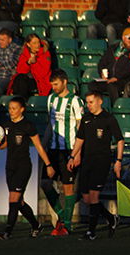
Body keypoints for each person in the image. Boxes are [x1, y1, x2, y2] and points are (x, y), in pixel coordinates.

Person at [0, 96, 55, 240]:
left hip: (23, 166)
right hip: (10, 166)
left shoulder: (28, 126)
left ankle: (7, 232)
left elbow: (39, 147)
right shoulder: (6, 126)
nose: (11, 111)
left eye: (14, 108)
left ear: (22, 109)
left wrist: (48, 164)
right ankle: (36, 225)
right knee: (19, 201)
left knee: (13, 198)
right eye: (10, 108)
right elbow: (7, 144)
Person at [67, 92, 123, 240]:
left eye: (91, 102)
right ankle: (111, 218)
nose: (88, 105)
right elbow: (80, 139)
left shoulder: (109, 119)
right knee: (87, 198)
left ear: (100, 102)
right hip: (87, 161)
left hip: (102, 162)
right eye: (87, 102)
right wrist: (73, 156)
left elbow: (120, 140)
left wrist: (118, 160)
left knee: (93, 196)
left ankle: (91, 232)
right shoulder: (86, 119)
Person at [44, 69, 84, 236]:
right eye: (52, 84)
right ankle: (62, 217)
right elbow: (49, 125)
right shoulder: (51, 99)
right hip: (52, 149)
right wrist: (44, 147)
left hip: (69, 149)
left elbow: (81, 128)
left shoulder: (75, 101)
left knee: (68, 187)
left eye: (56, 84)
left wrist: (77, 152)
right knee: (45, 184)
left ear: (65, 82)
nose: (53, 87)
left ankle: (66, 226)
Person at [88, 27, 130, 105]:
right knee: (92, 85)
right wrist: (102, 72)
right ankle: (97, 107)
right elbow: (102, 62)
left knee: (112, 87)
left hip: (122, 81)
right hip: (108, 79)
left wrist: (117, 78)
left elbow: (129, 69)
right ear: (123, 37)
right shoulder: (112, 48)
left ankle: (115, 108)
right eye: (129, 38)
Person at [7, 33, 51, 99]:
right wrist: (28, 63)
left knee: (21, 81)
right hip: (26, 81)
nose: (38, 45)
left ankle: (20, 102)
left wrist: (34, 63)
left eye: (38, 42)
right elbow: (20, 70)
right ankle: (19, 102)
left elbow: (43, 73)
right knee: (19, 78)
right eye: (34, 43)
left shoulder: (45, 53)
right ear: (28, 44)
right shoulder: (25, 53)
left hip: (40, 82)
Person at [0, 28, 21, 97]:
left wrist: (0, 61)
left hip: (6, 77)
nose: (0, 42)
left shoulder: (17, 49)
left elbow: (12, 64)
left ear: (9, 40)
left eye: (3, 40)